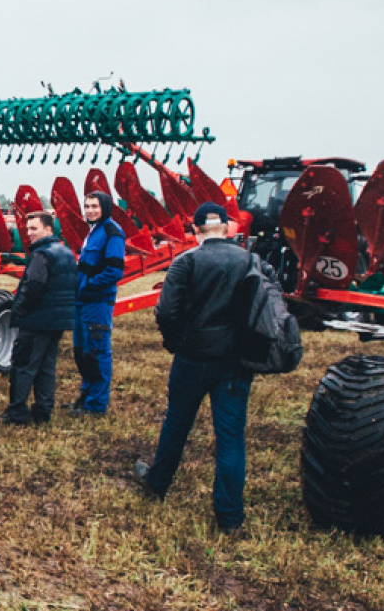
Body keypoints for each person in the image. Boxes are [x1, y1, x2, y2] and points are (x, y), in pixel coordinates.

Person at [140, 202, 263, 532]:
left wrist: (176, 343)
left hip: (193, 357)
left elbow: (166, 312)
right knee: (230, 437)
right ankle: (230, 516)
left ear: (195, 230)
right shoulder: (249, 261)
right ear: (226, 227)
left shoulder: (186, 261)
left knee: (177, 423)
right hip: (235, 360)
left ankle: (157, 482)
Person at [0, 211, 77, 426]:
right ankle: (43, 412)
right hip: (57, 321)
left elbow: (33, 285)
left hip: (36, 320)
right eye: (27, 229)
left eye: (34, 228)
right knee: (46, 368)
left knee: (23, 366)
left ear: (48, 230)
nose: (29, 233)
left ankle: (17, 413)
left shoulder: (42, 254)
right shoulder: (66, 253)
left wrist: (20, 310)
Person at [73, 192, 127, 415]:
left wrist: (89, 286)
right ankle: (86, 396)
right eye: (87, 206)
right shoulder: (93, 231)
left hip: (97, 302)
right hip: (82, 302)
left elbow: (114, 270)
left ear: (105, 207)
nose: (90, 210)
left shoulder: (112, 232)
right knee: (82, 351)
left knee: (96, 351)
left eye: (95, 206)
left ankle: (96, 405)